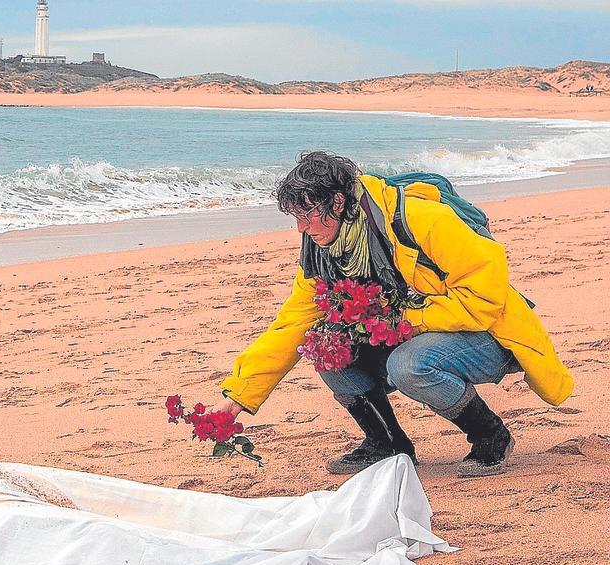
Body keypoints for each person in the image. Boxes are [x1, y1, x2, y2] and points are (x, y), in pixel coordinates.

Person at [209, 151, 573, 478]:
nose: (301, 228)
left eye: (307, 215)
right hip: (410, 333)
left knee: (408, 364)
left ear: (337, 202)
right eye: (296, 217)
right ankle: (388, 444)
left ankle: (490, 436)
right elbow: (291, 325)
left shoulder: (420, 218)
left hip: (487, 335)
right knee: (325, 349)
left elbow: (484, 298)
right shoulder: (322, 251)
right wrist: (237, 399)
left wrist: (405, 321)